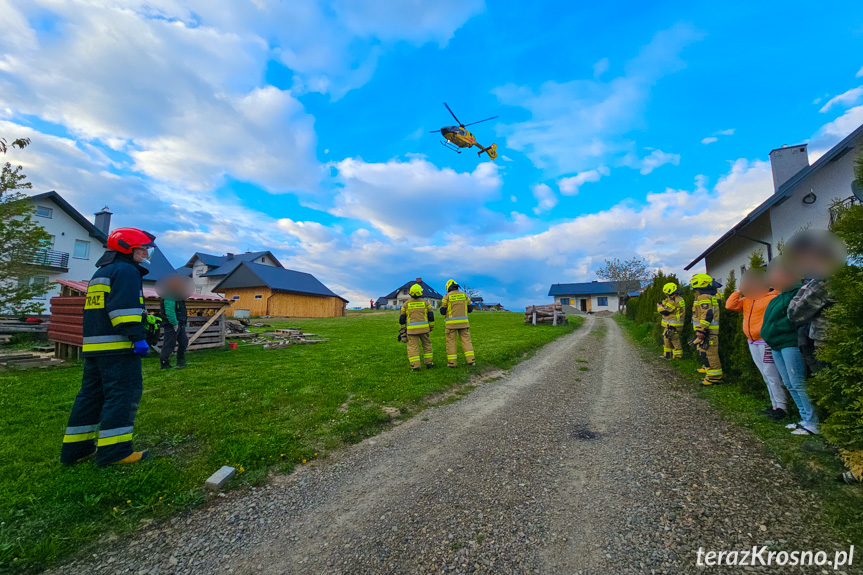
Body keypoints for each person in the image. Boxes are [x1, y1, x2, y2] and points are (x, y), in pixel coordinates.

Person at [60, 227, 156, 466]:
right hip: (118, 347)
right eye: (142, 248)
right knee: (122, 395)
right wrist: (138, 336)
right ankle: (115, 452)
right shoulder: (126, 271)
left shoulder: (103, 272)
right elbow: (122, 309)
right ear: (127, 248)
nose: (145, 253)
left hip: (95, 347)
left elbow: (101, 310)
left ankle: (76, 449)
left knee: (90, 397)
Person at [761, 257, 818, 436]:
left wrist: (775, 329)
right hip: (777, 345)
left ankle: (813, 422)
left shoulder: (797, 293)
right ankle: (804, 418)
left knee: (798, 382)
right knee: (789, 383)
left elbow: (795, 317)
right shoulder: (779, 296)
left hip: (790, 343)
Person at [726, 268, 787, 419]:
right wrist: (739, 291)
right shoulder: (748, 299)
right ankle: (774, 405)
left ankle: (782, 407)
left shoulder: (772, 297)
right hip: (752, 341)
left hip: (766, 341)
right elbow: (730, 305)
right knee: (765, 374)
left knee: (771, 373)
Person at [690, 273, 723, 386]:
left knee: (711, 355)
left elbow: (707, 314)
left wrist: (701, 330)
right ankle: (708, 370)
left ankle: (714, 378)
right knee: (704, 352)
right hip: (707, 331)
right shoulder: (710, 295)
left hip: (708, 332)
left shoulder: (704, 297)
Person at [399, 284, 435, 371]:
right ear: (421, 292)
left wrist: (403, 332)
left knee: (413, 347)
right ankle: (429, 363)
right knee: (427, 345)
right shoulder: (426, 303)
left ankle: (415, 366)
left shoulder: (406, 304)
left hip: (412, 331)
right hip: (424, 329)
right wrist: (431, 326)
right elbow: (431, 317)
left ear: (410, 293)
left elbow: (402, 320)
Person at [439, 279, 475, 367]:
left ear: (448, 287)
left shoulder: (446, 297)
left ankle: (452, 363)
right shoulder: (464, 295)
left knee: (451, 342)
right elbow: (470, 309)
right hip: (464, 324)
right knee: (466, 341)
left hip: (451, 325)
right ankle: (471, 360)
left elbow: (442, 311)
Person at [159, 278, 189, 370]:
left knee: (184, 342)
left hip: (180, 323)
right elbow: (170, 311)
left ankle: (181, 361)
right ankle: (164, 363)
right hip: (172, 324)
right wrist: (174, 323)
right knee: (169, 344)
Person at [656, 282, 686, 359]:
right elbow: (668, 304)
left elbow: (666, 311)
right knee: (666, 338)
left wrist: (659, 307)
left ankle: (677, 357)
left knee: (674, 340)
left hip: (673, 325)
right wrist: (663, 302)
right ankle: (667, 355)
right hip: (672, 324)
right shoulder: (677, 299)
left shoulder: (674, 301)